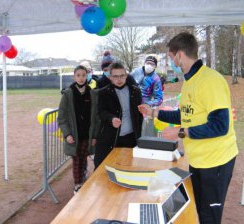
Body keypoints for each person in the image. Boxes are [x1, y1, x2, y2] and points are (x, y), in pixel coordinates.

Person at [138, 32, 238, 224]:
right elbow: (185, 115)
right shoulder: (189, 81)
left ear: (180, 55)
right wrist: (153, 112)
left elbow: (220, 125)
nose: (171, 62)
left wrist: (181, 132)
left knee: (209, 217)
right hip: (198, 160)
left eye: (171, 58)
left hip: (216, 162)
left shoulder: (210, 80)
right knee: (198, 211)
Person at [58, 65, 98, 194]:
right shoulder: (68, 94)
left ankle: (82, 179)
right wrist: (67, 134)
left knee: (84, 158)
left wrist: (95, 136)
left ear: (87, 76)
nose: (81, 78)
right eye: (78, 75)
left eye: (83, 75)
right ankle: (77, 184)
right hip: (74, 135)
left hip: (87, 134)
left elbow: (96, 117)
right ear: (74, 77)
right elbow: (62, 117)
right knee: (76, 160)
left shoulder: (92, 93)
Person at [94, 62, 143, 169]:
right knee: (106, 169)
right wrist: (110, 119)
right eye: (115, 76)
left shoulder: (136, 91)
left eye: (122, 76)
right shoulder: (103, 93)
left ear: (126, 76)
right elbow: (101, 111)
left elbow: (139, 114)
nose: (119, 79)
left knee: (129, 167)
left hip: (131, 138)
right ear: (110, 77)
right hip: (111, 138)